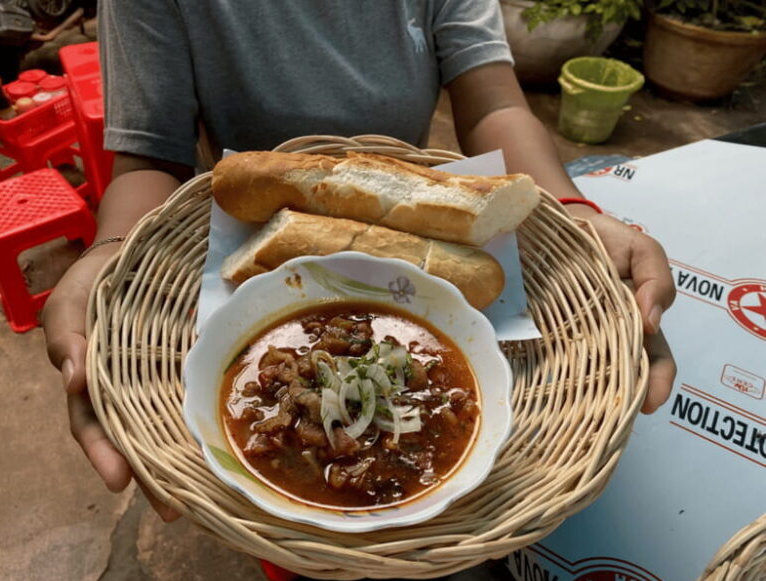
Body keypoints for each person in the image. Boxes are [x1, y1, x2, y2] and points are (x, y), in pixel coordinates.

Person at [43, 0, 676, 522]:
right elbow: (151, 156)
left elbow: (494, 105)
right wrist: (112, 253)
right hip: (243, 250)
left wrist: (571, 210)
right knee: (270, 530)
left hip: (406, 237)